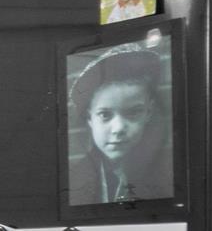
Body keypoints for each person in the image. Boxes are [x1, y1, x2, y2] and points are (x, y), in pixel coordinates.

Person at [72, 43, 171, 205]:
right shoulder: (76, 179)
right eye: (105, 115)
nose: (118, 129)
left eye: (133, 112)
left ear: (149, 112)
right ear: (89, 118)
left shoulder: (166, 174)